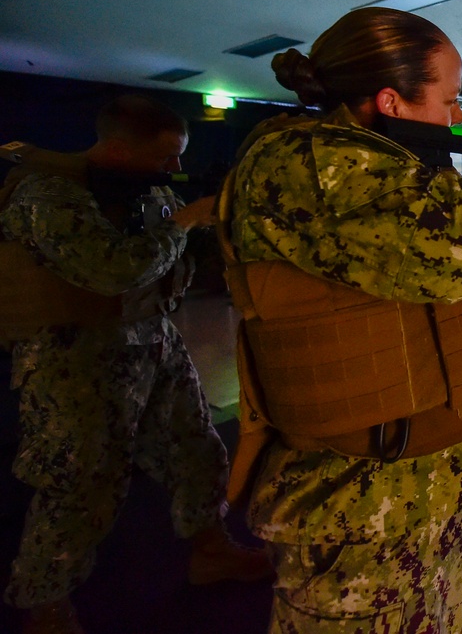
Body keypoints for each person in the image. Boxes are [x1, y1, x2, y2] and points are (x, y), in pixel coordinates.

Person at [218, 7, 462, 633]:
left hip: (458, 478)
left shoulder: (403, 171)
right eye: (450, 98)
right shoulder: (305, 161)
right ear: (391, 100)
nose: (459, 116)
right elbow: (452, 252)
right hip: (367, 502)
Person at [0, 94, 273, 634]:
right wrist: (184, 223)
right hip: (71, 354)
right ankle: (46, 604)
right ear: (119, 148)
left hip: (153, 338)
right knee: (79, 480)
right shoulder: (48, 195)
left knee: (196, 447)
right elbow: (111, 270)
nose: (175, 167)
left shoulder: (147, 193)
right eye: (167, 155)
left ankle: (210, 548)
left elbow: (180, 262)